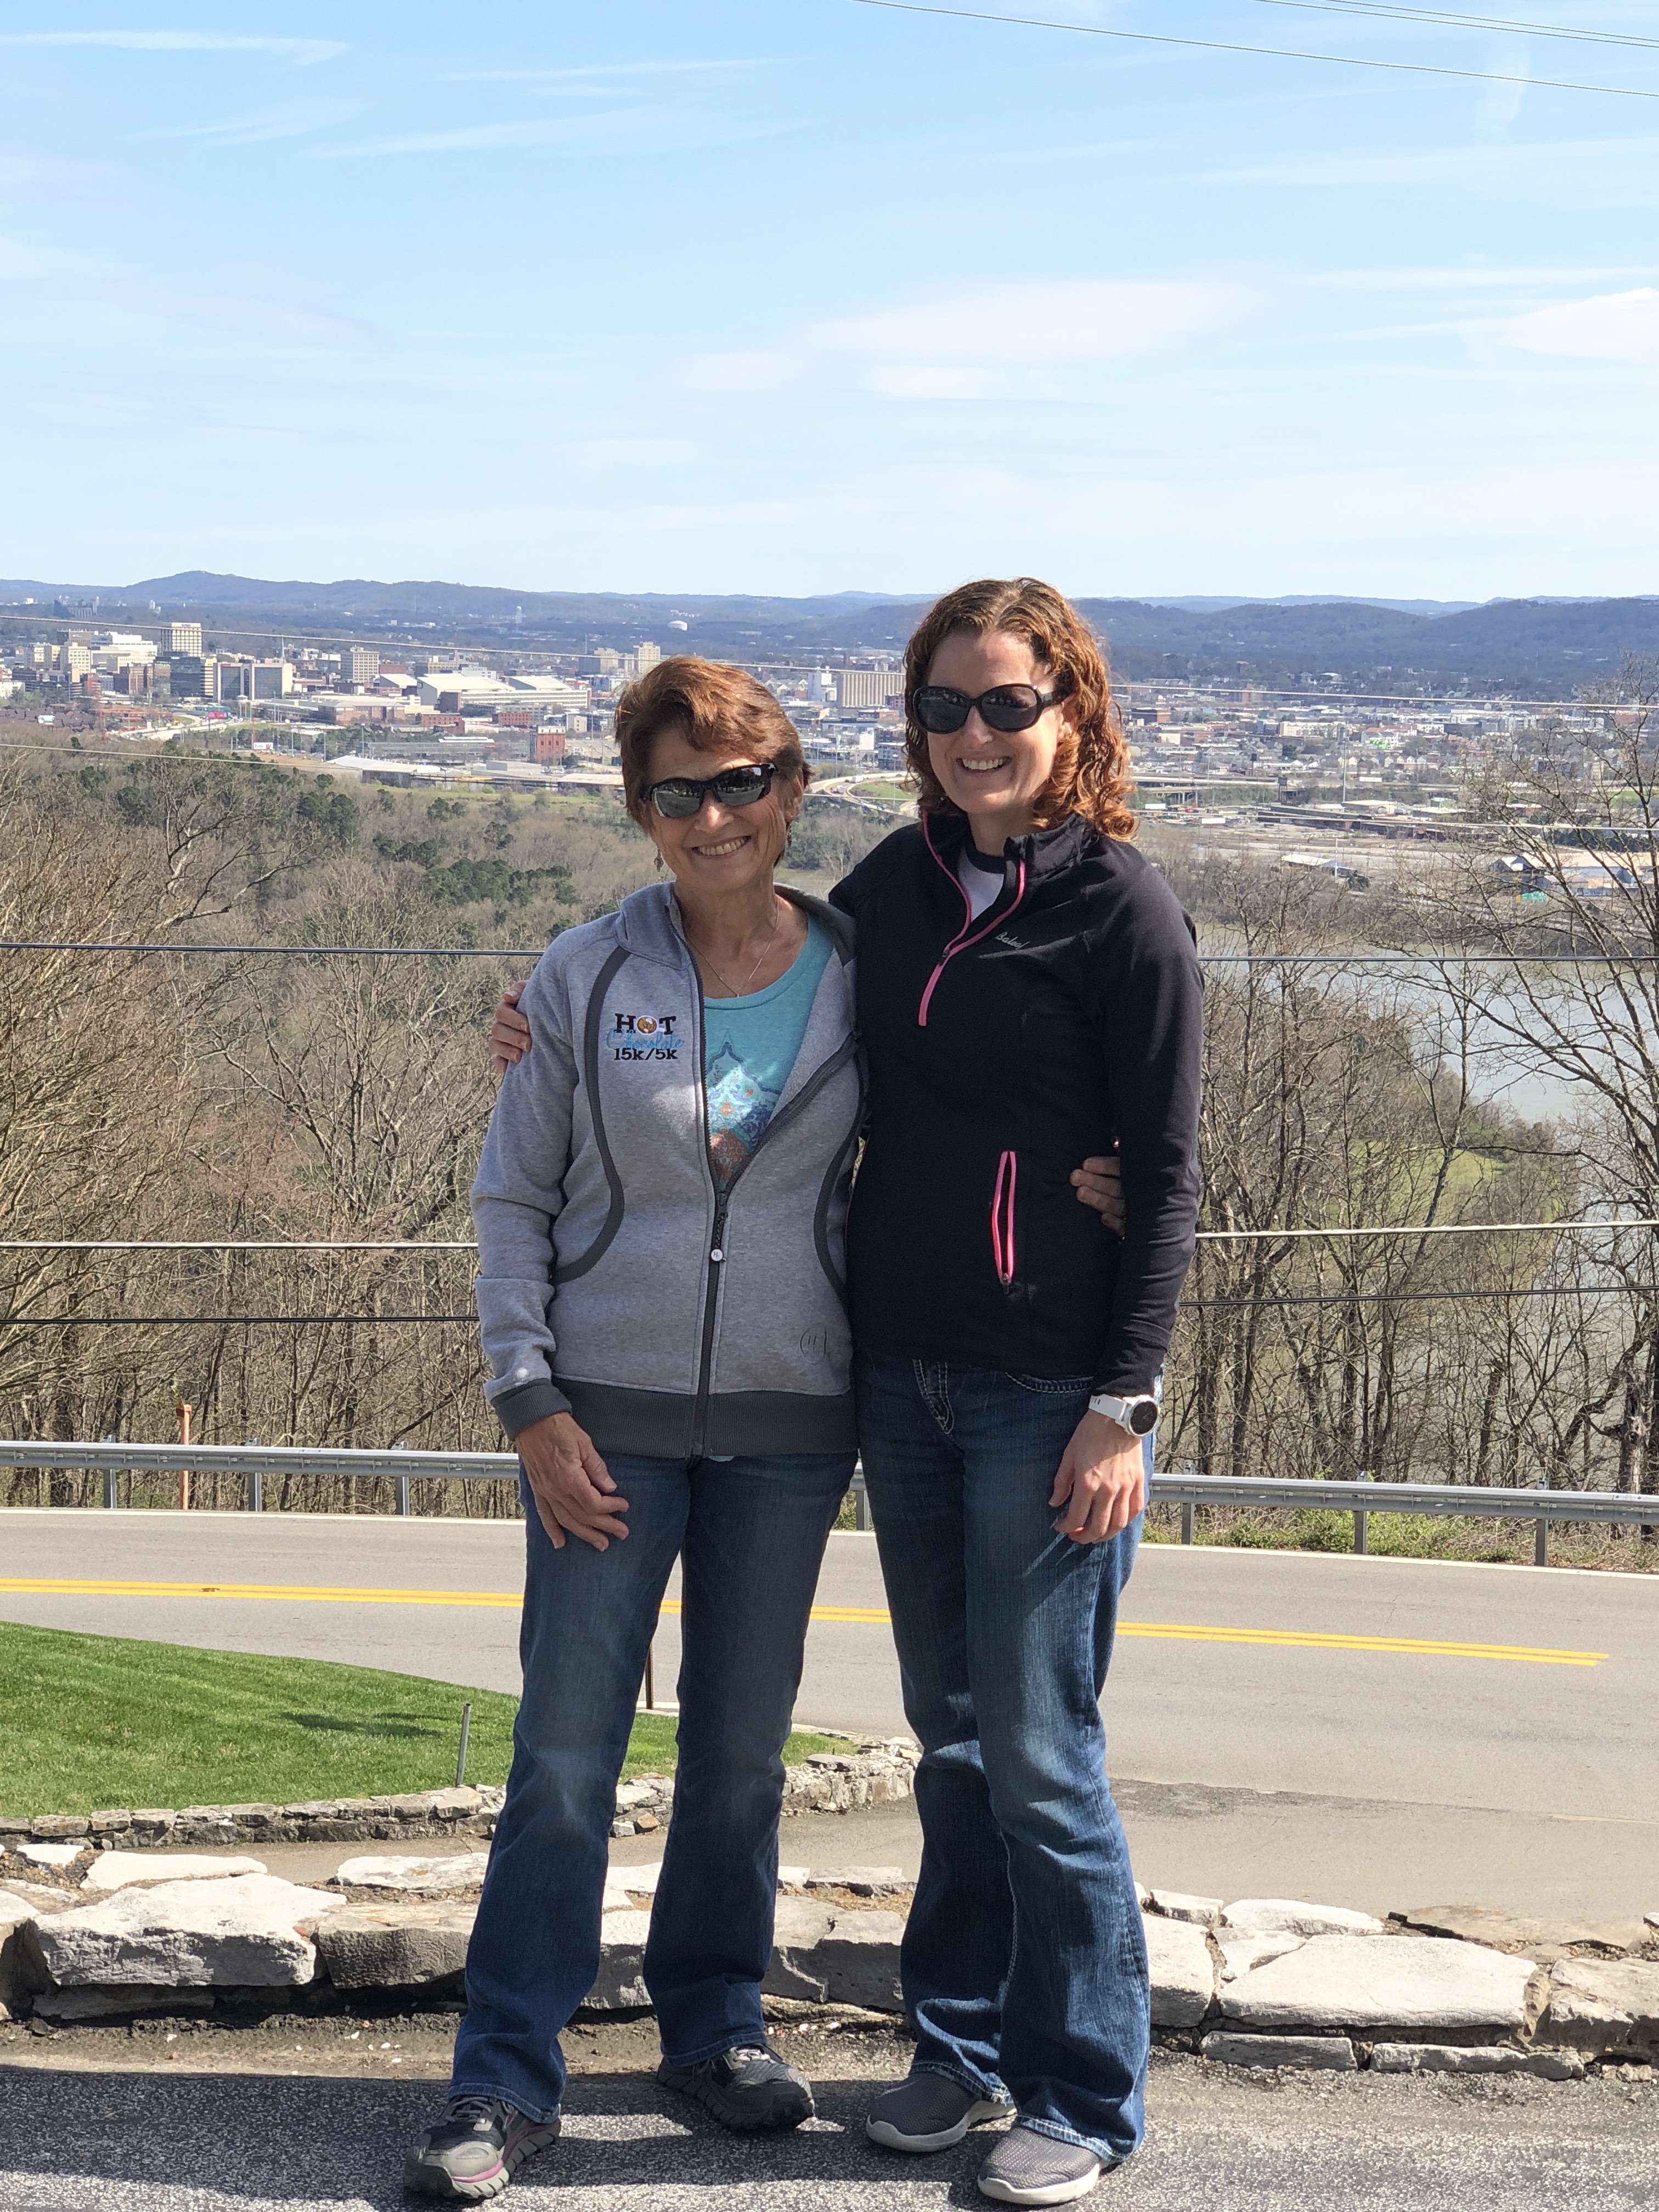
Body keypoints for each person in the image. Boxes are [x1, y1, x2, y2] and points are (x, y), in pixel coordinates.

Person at [404, 657, 866, 2202]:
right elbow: (513, 1194)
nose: (718, 815)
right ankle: (505, 2079)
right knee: (562, 1757)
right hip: (599, 1428)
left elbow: (994, 1105)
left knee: (739, 1755)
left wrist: (1104, 1180)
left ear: (792, 790)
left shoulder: (868, 969)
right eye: (683, 792)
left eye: (746, 783)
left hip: (796, 1425)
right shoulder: (586, 976)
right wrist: (529, 1398)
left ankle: (714, 2024)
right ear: (645, 811)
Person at [832, 577, 1202, 2206]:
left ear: (1074, 716)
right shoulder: (887, 891)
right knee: (954, 1742)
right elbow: (744, 993)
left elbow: (1174, 1178)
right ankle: (961, 2053)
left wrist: (1128, 1402)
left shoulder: (1125, 910)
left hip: (1048, 1386)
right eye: (947, 707)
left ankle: (1086, 2096)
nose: (977, 735)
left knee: (1046, 1752)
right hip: (898, 1374)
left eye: (1008, 704)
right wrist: (549, 1028)